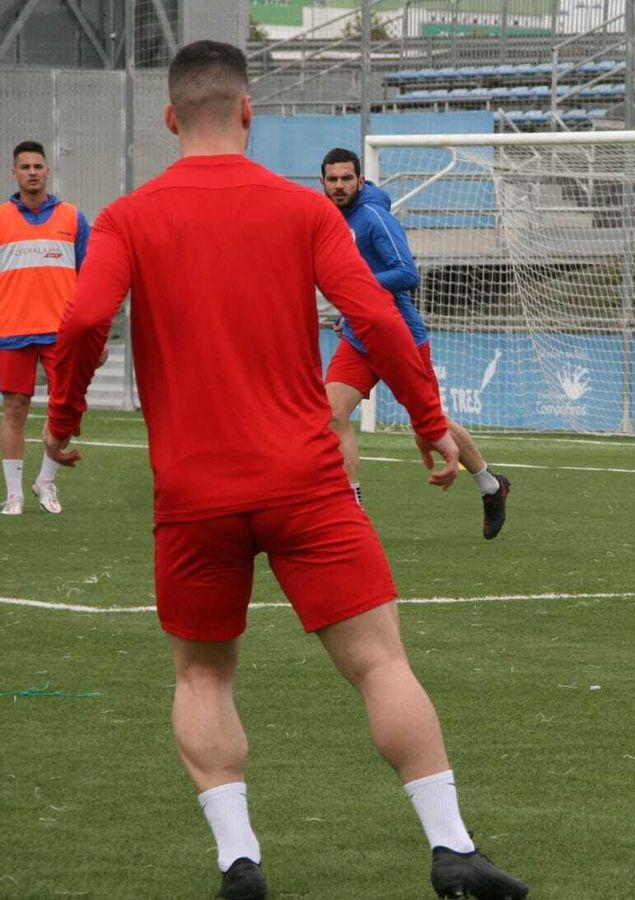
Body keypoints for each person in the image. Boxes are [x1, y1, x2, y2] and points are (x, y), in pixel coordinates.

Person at [44, 41, 527, 900]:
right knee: (381, 663)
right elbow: (376, 315)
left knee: (202, 674)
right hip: (306, 480)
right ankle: (452, 847)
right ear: (248, 113)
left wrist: (64, 419)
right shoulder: (302, 210)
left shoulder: (127, 217)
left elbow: (83, 321)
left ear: (168, 118)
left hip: (195, 492)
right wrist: (426, 422)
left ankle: (241, 860)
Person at [319, 147, 512, 539]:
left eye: (346, 179)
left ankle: (490, 484)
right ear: (322, 182)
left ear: (360, 180)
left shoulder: (373, 217)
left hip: (402, 337)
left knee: (427, 427)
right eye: (332, 179)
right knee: (330, 414)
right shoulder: (332, 219)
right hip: (359, 340)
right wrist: (349, 312)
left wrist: (357, 292)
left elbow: (406, 273)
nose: (339, 186)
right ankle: (351, 507)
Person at [1, 141, 90, 516]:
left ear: (48, 170)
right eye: (25, 167)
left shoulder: (73, 217)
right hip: (12, 329)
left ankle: (45, 481)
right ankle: (15, 494)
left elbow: (91, 278)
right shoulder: (1, 217)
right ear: (14, 173)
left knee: (65, 409)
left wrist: (92, 333)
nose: (32, 172)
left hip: (62, 333)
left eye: (38, 166)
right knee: (14, 409)